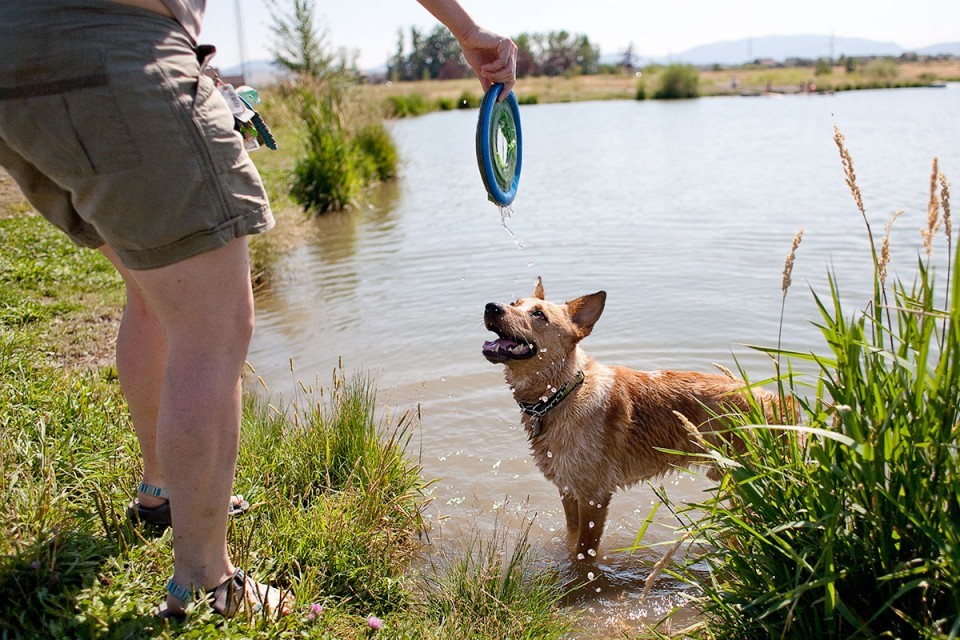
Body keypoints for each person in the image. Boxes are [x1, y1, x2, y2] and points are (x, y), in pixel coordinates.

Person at [0, 0, 516, 621]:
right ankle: (205, 581)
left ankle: (161, 492)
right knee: (212, 329)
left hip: (14, 63)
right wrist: (466, 28)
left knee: (154, 292)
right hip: (118, 51)